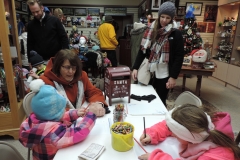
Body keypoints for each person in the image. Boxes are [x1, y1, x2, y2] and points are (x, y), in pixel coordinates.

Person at [19, 79, 105, 160]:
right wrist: (91, 115)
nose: (65, 110)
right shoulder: (54, 133)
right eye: (62, 109)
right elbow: (78, 133)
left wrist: (75, 113)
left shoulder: (33, 119)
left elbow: (54, 119)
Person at [138, 104, 240, 160]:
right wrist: (153, 133)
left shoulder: (218, 156)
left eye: (176, 135)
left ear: (190, 139)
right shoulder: (201, 125)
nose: (172, 134)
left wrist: (157, 158)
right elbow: (171, 124)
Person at [132, 2, 184, 106]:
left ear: (172, 18)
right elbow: (142, 50)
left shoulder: (176, 33)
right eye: (162, 17)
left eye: (168, 18)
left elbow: (179, 56)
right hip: (149, 71)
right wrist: (135, 67)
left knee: (160, 101)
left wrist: (173, 76)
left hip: (164, 73)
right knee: (144, 98)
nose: (164, 20)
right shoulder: (151, 30)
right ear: (159, 15)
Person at [40, 49, 110, 114]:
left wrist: (98, 104)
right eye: (67, 67)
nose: (71, 72)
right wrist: (74, 113)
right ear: (58, 67)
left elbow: (93, 92)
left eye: (74, 68)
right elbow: (48, 108)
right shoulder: (46, 81)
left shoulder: (81, 76)